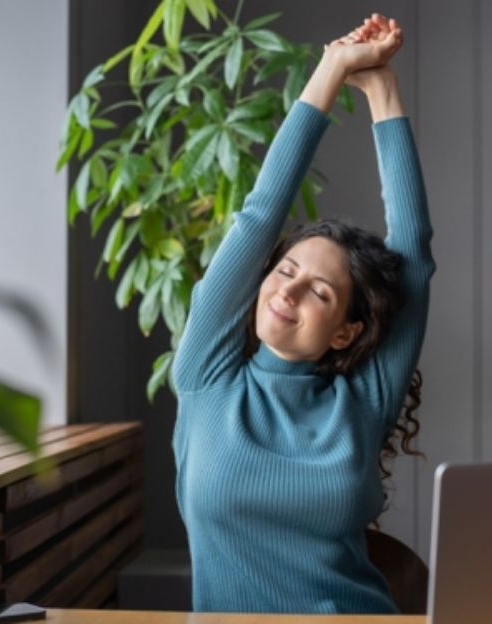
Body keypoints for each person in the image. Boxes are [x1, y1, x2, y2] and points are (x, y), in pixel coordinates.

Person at [171, 13, 435, 614]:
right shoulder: (206, 377)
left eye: (319, 292)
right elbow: (260, 215)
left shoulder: (363, 402)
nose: (287, 293)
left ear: (346, 330)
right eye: (285, 272)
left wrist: (382, 89)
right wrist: (332, 68)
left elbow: (413, 251)